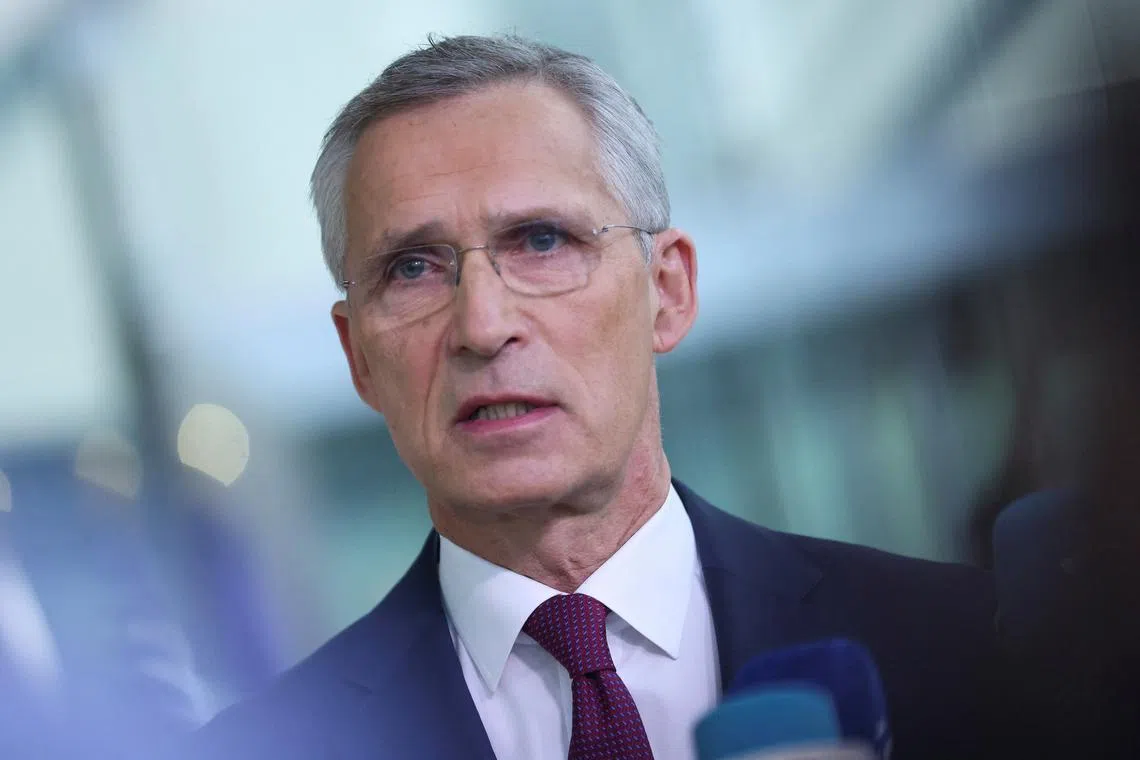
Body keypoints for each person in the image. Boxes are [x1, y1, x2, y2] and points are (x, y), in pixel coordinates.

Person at [187, 34, 1001, 760]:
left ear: (667, 290)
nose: (482, 325)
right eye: (413, 269)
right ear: (358, 357)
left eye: (542, 241)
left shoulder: (964, 640)